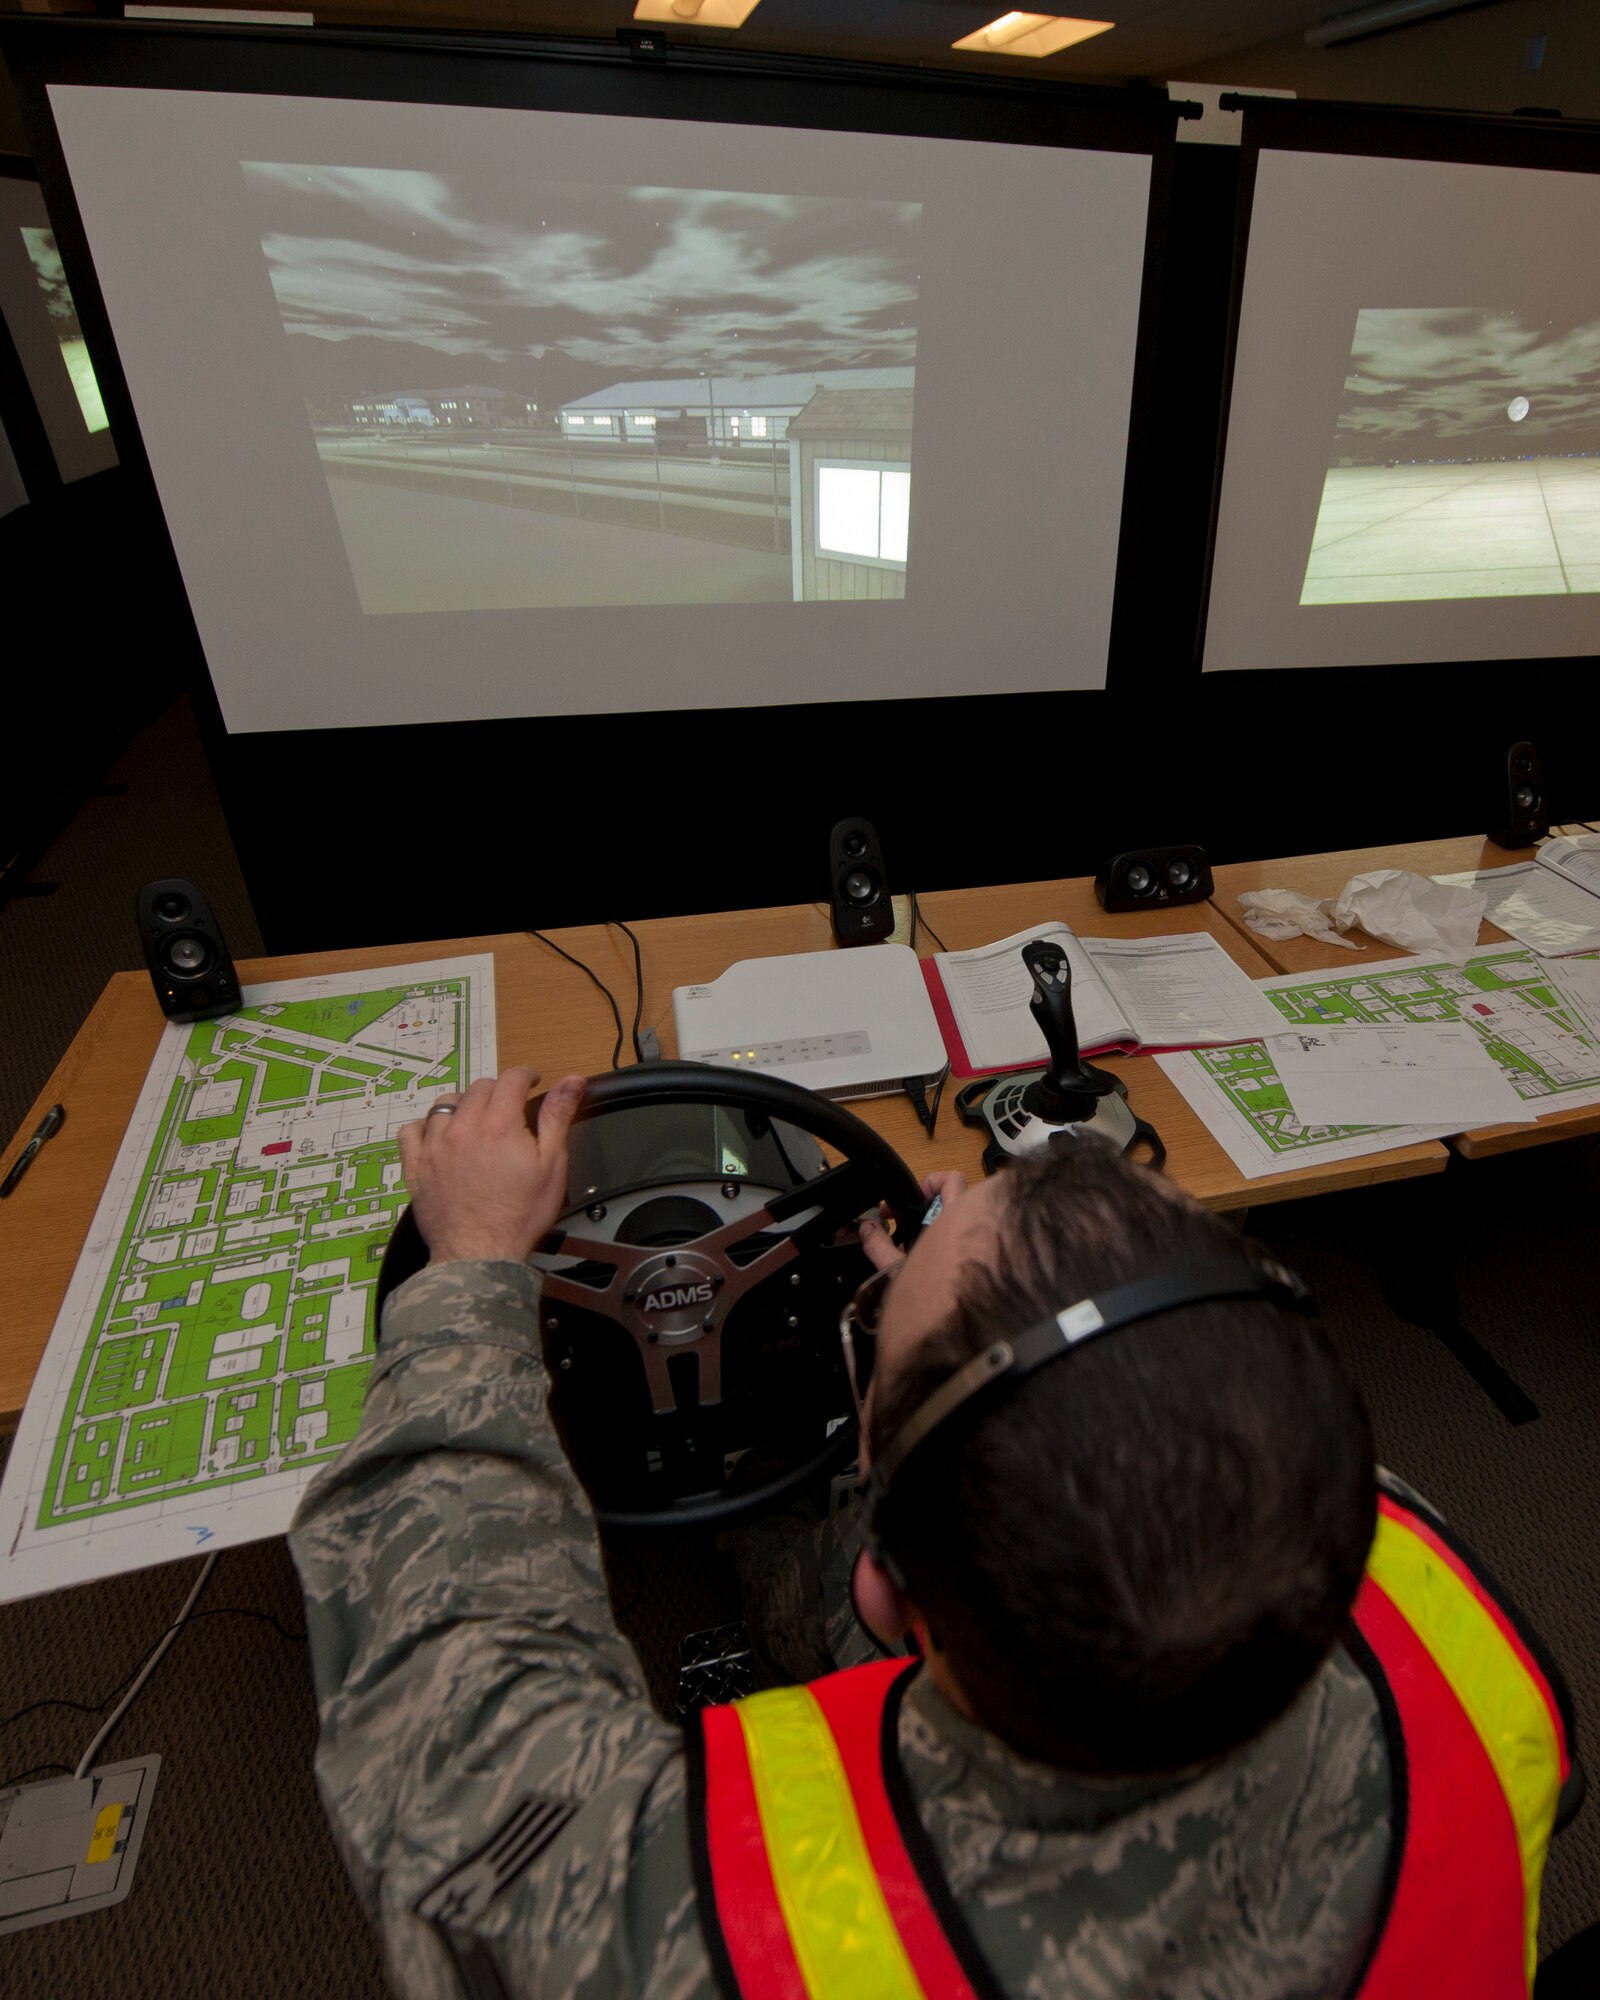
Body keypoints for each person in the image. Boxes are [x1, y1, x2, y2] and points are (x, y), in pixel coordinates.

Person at [289, 1067, 1574, 2000]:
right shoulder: (1451, 1615)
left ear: (889, 1598)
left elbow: (446, 1709)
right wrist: (959, 1301)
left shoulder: (711, 1943)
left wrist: (465, 1266)